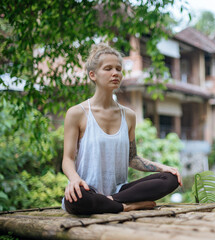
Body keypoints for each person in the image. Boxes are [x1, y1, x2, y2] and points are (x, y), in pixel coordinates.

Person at [61, 43, 182, 215]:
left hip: (120, 191)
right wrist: (74, 180)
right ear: (93, 75)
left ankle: (109, 202)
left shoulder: (129, 115)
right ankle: (127, 206)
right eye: (108, 68)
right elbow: (67, 159)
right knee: (77, 198)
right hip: (87, 189)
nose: (115, 73)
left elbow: (132, 158)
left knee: (170, 178)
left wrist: (162, 168)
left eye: (118, 69)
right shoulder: (76, 113)